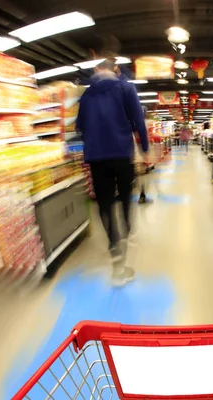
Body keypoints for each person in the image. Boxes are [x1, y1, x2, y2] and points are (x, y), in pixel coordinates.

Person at [76, 58, 149, 285]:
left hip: (96, 157)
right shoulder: (125, 87)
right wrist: (144, 148)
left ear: (97, 70)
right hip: (121, 154)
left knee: (105, 203)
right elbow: (138, 119)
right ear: (115, 70)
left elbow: (80, 127)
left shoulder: (87, 95)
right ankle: (127, 236)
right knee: (126, 197)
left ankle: (113, 246)